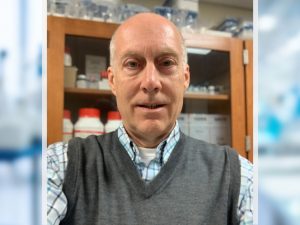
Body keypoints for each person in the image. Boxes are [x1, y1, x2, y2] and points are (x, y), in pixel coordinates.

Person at [47, 13, 253, 225]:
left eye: (166, 62)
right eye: (133, 64)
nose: (151, 82)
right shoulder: (61, 165)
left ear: (185, 77)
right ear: (112, 80)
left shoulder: (236, 175)